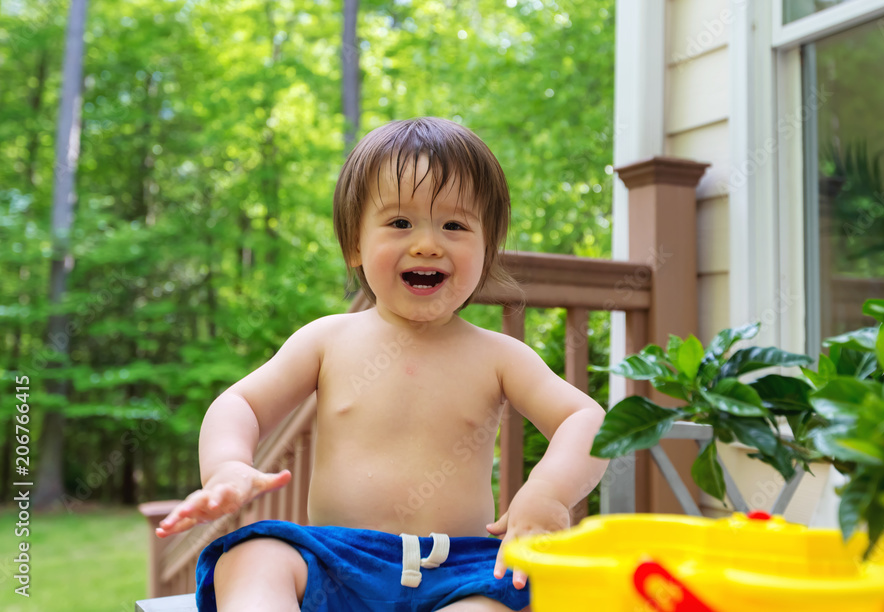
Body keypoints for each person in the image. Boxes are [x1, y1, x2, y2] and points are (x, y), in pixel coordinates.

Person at [156, 117, 608, 612]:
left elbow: (586, 419)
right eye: (400, 223)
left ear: (487, 247)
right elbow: (241, 402)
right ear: (354, 243)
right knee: (249, 556)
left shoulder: (498, 355)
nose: (428, 243)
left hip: (458, 572)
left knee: (519, 592)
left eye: (454, 225)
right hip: (337, 562)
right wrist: (227, 467)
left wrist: (547, 491)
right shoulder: (328, 340)